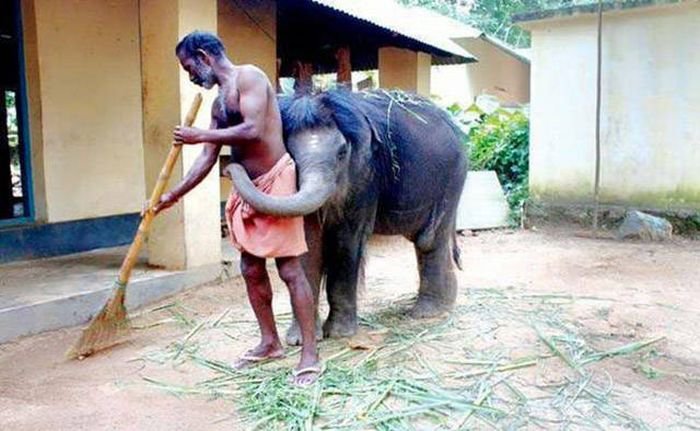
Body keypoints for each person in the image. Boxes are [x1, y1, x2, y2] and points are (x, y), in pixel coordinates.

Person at [151, 31, 321, 386]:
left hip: (276, 182)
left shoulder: (250, 77)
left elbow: (253, 130)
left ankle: (310, 354)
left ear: (204, 56)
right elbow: (207, 158)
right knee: (250, 268)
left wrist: (201, 134)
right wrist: (174, 194)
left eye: (189, 67)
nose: (191, 76)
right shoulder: (217, 106)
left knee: (290, 269)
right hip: (245, 188)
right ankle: (270, 342)